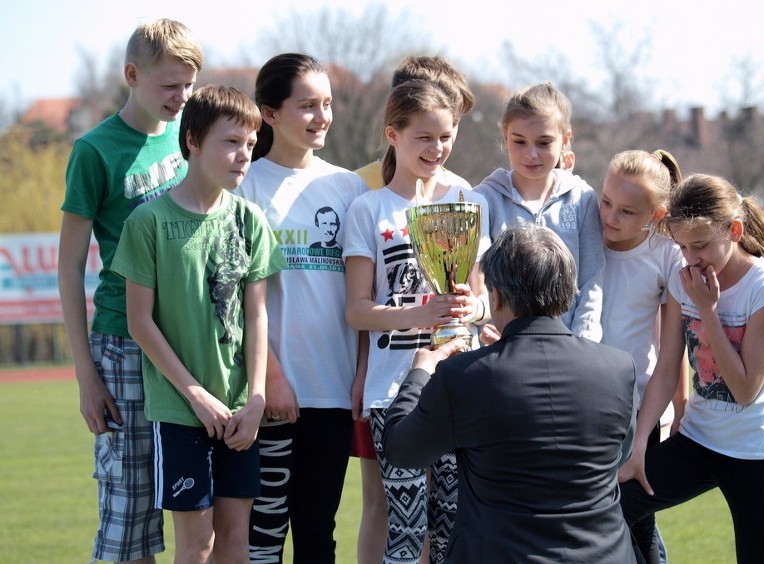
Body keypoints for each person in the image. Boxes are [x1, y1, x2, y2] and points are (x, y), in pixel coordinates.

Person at [382, 224, 636, 563]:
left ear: (496, 295)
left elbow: (401, 450)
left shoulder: (463, 376)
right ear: (566, 290)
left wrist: (419, 372)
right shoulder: (618, 368)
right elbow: (617, 454)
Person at [111, 84, 284, 563]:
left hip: (240, 414)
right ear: (192, 140)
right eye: (231, 142)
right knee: (198, 543)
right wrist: (194, 394)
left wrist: (256, 399)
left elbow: (256, 315)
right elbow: (140, 321)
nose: (243, 155)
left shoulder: (250, 221)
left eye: (250, 145)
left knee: (235, 540)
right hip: (181, 411)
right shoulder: (147, 221)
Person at [57, 19, 202, 564]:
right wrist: (85, 374)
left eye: (188, 84)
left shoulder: (196, 131)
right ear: (131, 75)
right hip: (122, 347)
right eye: (169, 85)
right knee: (129, 522)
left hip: (196, 341)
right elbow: (69, 266)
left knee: (201, 513)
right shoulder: (95, 151)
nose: (181, 97)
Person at [343, 79, 490, 564]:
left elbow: (485, 299)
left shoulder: (466, 206)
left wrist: (473, 309)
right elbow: (356, 311)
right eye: (423, 136)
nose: (437, 148)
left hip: (457, 387)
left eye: (445, 136)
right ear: (393, 134)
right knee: (406, 531)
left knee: (454, 527)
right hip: (394, 393)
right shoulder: (369, 210)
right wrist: (419, 314)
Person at [618, 174, 764, 564]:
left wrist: (708, 310)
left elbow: (746, 389)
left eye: (700, 245)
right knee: (613, 506)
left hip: (757, 451)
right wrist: (638, 446)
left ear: (734, 231)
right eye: (682, 246)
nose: (690, 258)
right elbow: (667, 369)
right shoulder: (683, 279)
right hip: (699, 442)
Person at [233, 53, 368, 564]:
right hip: (268, 395)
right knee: (261, 541)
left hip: (333, 393)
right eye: (307, 105)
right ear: (270, 114)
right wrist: (270, 377)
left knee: (318, 534)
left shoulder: (349, 187)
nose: (322, 116)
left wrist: (359, 374)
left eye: (327, 104)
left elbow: (360, 293)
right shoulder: (245, 184)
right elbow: (235, 300)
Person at [599, 149, 689, 562]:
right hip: (581, 407)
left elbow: (671, 354)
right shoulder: (585, 234)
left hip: (638, 412)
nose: (611, 217)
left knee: (637, 523)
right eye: (606, 203)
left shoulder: (666, 255)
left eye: (627, 212)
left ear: (656, 215)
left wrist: (670, 414)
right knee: (594, 525)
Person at [474, 82, 605, 342]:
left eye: (544, 142)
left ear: (565, 139)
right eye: (519, 142)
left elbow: (592, 281)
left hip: (568, 349)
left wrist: (582, 345)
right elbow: (480, 282)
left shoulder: (581, 198)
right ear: (505, 135)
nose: (531, 154)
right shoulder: (484, 198)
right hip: (503, 349)